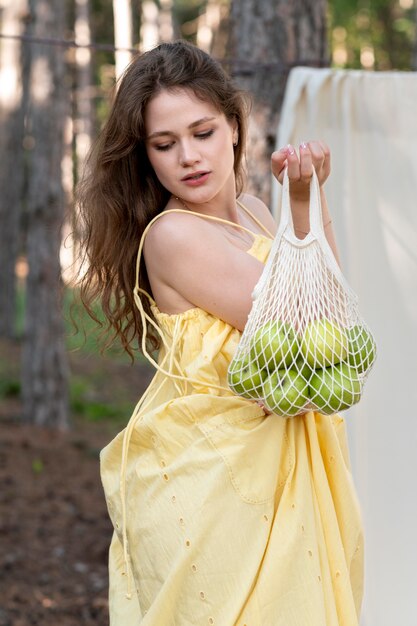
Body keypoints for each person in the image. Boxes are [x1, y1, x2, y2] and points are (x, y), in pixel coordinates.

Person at [77, 40, 363, 625]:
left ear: (235, 126)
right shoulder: (173, 235)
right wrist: (302, 207)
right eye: (165, 143)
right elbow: (301, 324)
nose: (188, 156)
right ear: (147, 158)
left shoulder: (260, 212)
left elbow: (333, 305)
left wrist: (307, 199)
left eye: (202, 132)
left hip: (277, 473)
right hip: (219, 490)